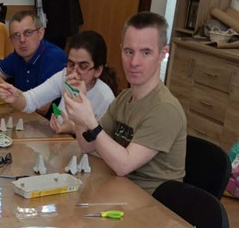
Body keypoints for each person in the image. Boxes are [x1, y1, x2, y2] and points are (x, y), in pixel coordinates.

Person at [58, 12, 186, 193]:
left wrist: (89, 121)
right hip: (119, 189)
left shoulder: (165, 109)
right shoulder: (125, 97)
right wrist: (79, 111)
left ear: (162, 54)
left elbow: (123, 165)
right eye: (129, 52)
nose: (134, 62)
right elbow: (87, 145)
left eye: (146, 52)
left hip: (151, 201)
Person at [0, 30, 116, 124]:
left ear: (98, 70)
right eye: (71, 64)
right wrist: (16, 97)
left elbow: (102, 139)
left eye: (83, 66)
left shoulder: (105, 98)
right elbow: (32, 99)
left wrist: (72, 129)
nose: (74, 72)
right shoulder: (63, 76)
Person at [0, 10, 67, 97]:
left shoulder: (54, 57)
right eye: (16, 35)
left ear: (40, 33)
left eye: (28, 32)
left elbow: (42, 106)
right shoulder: (16, 56)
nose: (22, 40)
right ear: (11, 40)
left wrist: (6, 88)